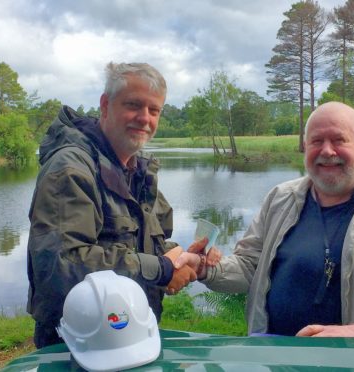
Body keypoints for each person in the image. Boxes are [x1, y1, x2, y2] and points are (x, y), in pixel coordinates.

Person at [179, 101, 354, 338]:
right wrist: (206, 269)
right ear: (304, 147)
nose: (327, 151)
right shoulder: (279, 199)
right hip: (276, 359)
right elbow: (249, 267)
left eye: (338, 140)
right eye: (316, 141)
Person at [27, 62, 216, 349]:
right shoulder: (70, 169)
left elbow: (137, 245)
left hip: (129, 336)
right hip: (79, 345)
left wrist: (180, 258)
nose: (144, 118)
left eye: (154, 110)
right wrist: (163, 269)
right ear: (105, 105)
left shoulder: (137, 171)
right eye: (133, 105)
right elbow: (61, 265)